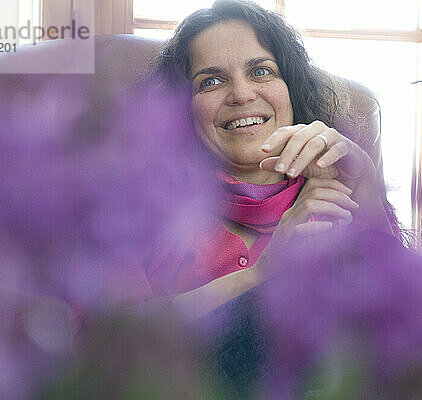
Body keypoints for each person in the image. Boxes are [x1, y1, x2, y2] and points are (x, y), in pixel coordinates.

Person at [147, 0, 398, 317]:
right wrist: (261, 274)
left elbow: (407, 319)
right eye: (211, 80)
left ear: (291, 88)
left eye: (261, 71)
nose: (241, 94)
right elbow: (106, 344)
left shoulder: (337, 194)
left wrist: (366, 188)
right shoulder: (145, 206)